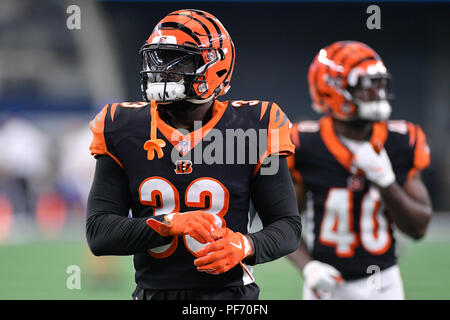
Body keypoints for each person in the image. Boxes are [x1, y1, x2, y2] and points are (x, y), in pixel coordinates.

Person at [86, 9, 302, 300]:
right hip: (152, 294)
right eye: (158, 58)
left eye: (179, 61)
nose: (161, 70)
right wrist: (170, 222)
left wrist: (245, 245)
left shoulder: (255, 126)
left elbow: (287, 226)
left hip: (231, 295)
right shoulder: (123, 127)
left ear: (216, 68)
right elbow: (99, 233)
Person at [287, 41, 432, 300]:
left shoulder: (401, 140)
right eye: (366, 85)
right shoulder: (304, 144)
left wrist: (386, 182)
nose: (378, 92)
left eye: (380, 83)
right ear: (332, 90)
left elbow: (419, 227)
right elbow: (283, 222)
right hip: (325, 284)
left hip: (384, 285)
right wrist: (308, 266)